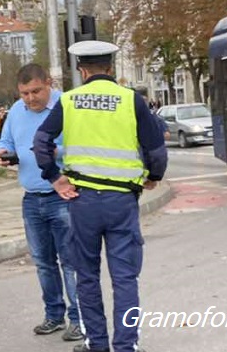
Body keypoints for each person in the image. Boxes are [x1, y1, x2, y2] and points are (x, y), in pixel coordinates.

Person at [33, 41, 167, 352]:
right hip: (121, 201)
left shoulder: (68, 100)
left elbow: (41, 142)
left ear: (82, 70)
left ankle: (96, 343)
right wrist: (153, 176)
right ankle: (126, 346)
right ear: (111, 68)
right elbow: (157, 149)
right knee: (125, 279)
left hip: (82, 202)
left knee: (87, 276)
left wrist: (55, 179)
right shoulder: (130, 100)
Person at [0, 64, 83, 343]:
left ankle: (79, 319)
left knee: (71, 262)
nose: (30, 99)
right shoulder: (16, 111)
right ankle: (54, 316)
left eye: (36, 91)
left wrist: (59, 152)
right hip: (32, 198)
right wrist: (2, 151)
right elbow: (6, 139)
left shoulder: (67, 106)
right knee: (44, 263)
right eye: (24, 93)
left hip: (64, 197)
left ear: (49, 83)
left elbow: (84, 146)